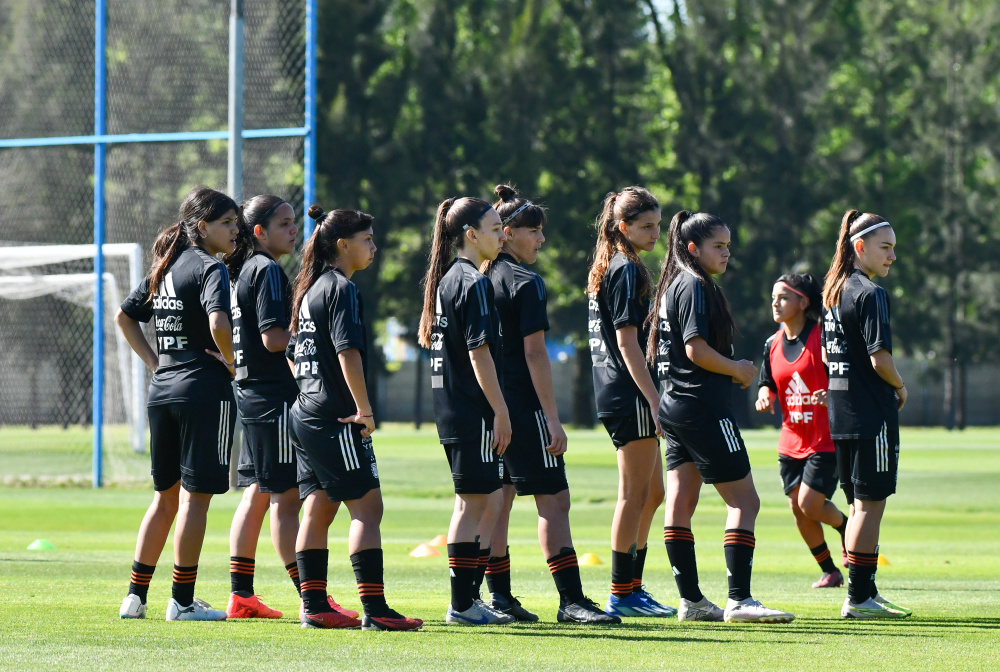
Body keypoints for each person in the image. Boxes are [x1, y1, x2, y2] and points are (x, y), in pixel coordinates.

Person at [483, 184, 620, 624]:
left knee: (499, 502)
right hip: (523, 408)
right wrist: (553, 419)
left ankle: (497, 597)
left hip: (488, 408)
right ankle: (572, 600)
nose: (541, 240)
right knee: (554, 501)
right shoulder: (525, 282)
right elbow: (534, 354)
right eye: (534, 232)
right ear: (506, 233)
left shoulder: (476, 278)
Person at [651, 210, 794, 623]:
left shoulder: (673, 285)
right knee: (745, 501)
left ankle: (691, 601)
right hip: (703, 409)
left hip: (675, 406)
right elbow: (696, 350)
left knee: (681, 503)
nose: (726, 253)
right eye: (718, 246)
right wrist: (738, 369)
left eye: (729, 246)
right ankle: (739, 599)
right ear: (693, 249)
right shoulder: (695, 286)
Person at [221, 195, 356, 620]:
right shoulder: (267, 271)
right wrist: (307, 336)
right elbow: (273, 339)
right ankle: (310, 595)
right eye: (284, 223)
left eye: (294, 222)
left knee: (259, 493)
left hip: (251, 392)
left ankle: (242, 593)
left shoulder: (247, 269)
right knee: (285, 498)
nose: (293, 230)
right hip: (272, 395)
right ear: (259, 232)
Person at [287, 204, 421, 631]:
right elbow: (348, 352)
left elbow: (294, 354)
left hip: (305, 411)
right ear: (342, 245)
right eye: (366, 240)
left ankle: (314, 607)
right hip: (336, 416)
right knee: (367, 508)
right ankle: (376, 611)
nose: (374, 247)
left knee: (319, 509)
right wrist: (362, 409)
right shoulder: (340, 289)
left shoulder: (310, 289)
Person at [116, 186, 239, 621]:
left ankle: (134, 597)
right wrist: (231, 362)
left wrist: (154, 363)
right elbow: (219, 322)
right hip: (202, 391)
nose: (235, 231)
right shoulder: (210, 268)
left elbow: (124, 317)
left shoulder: (165, 267)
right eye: (226, 223)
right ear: (202, 226)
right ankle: (182, 602)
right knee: (195, 500)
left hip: (162, 391)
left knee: (164, 498)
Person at [417, 196, 516, 626]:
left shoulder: (452, 279)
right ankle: (461, 605)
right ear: (470, 235)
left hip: (455, 408)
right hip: (469, 409)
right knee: (473, 505)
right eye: (495, 228)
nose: (503, 234)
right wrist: (501, 411)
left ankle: (469, 600)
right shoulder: (472, 282)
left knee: (488, 501)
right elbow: (480, 355)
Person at [586, 187, 675, 619]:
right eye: (646, 226)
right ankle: (622, 591)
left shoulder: (617, 264)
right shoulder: (626, 270)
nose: (655, 233)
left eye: (658, 225)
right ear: (623, 227)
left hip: (621, 390)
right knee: (633, 494)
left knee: (653, 491)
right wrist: (654, 399)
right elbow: (626, 342)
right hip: (630, 391)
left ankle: (633, 587)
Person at [821, 209, 911, 619]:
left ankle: (866, 590)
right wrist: (899, 385)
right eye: (886, 247)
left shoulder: (834, 293)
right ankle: (858, 597)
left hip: (840, 413)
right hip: (870, 413)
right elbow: (880, 359)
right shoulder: (869, 294)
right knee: (869, 505)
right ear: (860, 247)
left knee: (858, 504)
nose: (892, 256)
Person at [755, 273, 849, 589]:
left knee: (810, 503)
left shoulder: (823, 338)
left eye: (783, 297)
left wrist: (833, 394)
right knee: (798, 509)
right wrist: (764, 394)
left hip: (824, 438)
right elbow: (767, 380)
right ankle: (830, 570)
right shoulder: (772, 343)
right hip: (790, 439)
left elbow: (844, 375)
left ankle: (847, 528)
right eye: (773, 297)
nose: (775, 303)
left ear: (803, 302)